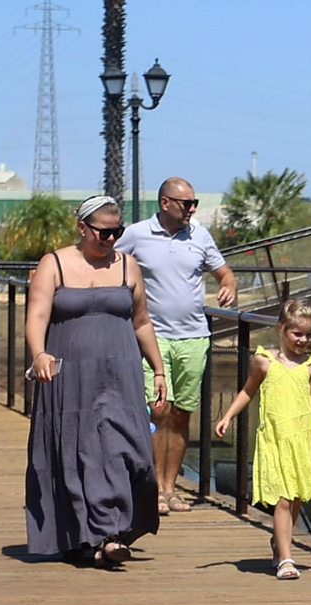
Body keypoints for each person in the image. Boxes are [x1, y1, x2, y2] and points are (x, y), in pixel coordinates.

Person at [25, 195, 168, 567]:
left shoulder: (127, 266)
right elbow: (37, 315)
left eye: (117, 231)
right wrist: (39, 354)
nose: (111, 239)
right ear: (82, 227)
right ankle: (102, 535)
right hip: (70, 375)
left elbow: (141, 322)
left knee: (130, 451)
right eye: (104, 232)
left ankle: (114, 530)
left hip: (121, 374)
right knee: (78, 452)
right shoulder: (54, 263)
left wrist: (158, 369)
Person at [116, 177, 237, 515]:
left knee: (182, 413)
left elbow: (225, 273)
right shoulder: (137, 234)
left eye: (194, 203)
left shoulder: (200, 235)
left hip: (194, 337)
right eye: (187, 203)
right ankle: (154, 488)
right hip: (152, 337)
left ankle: (171, 488)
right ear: (165, 203)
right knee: (158, 410)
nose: (192, 209)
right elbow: (107, 262)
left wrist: (229, 285)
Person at [211, 299, 311, 580]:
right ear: (281, 329)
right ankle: (286, 558)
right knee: (283, 499)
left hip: (302, 439)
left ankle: (279, 542)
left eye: (308, 334)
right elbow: (247, 391)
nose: (303, 340)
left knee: (296, 499)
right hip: (275, 440)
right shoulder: (264, 361)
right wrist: (227, 416)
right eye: (297, 333)